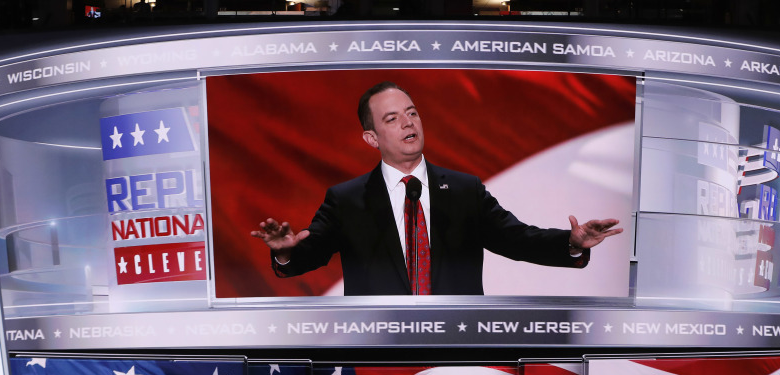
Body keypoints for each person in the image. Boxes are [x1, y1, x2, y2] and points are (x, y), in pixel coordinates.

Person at [252, 81, 622, 296]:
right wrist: (285, 252)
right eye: (392, 119)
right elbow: (308, 255)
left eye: (412, 112)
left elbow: (517, 239)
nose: (407, 123)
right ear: (371, 137)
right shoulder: (347, 200)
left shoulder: (464, 191)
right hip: (380, 363)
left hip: (455, 351)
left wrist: (572, 243)